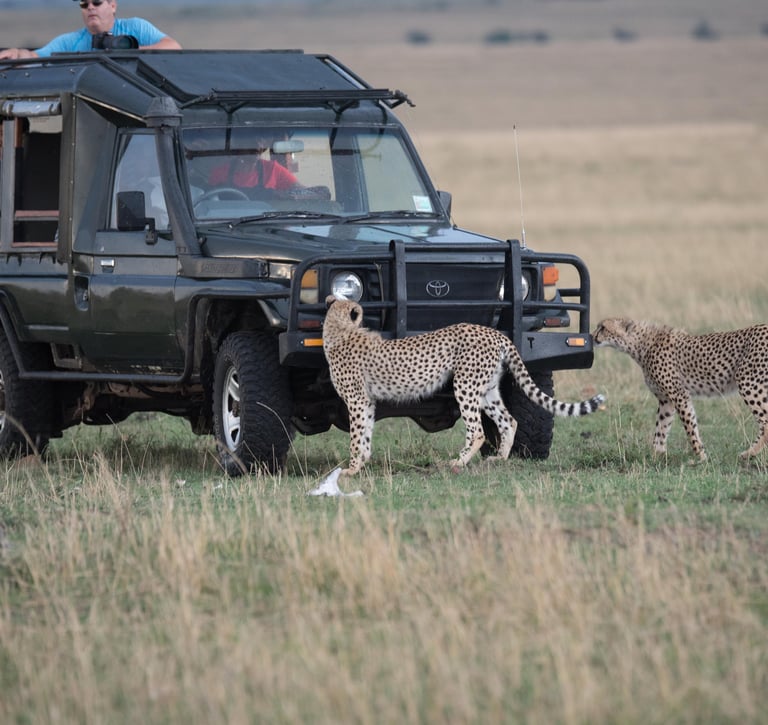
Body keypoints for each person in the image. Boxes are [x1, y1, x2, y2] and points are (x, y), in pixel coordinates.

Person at [0, 0, 181, 60]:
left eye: (96, 2)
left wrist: (132, 51)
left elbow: (174, 47)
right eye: (84, 4)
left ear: (112, 5)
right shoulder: (72, 41)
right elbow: (35, 57)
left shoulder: (135, 27)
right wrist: (16, 53)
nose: (90, 8)